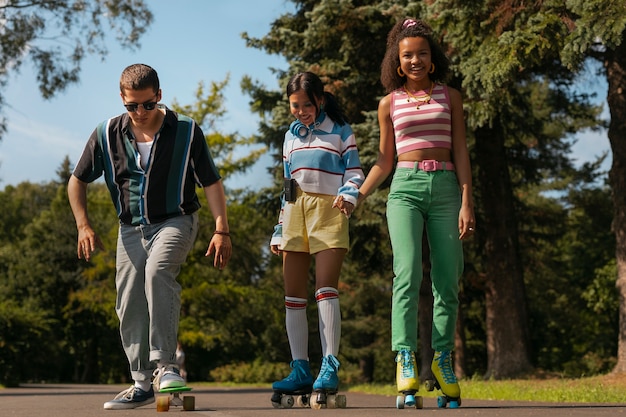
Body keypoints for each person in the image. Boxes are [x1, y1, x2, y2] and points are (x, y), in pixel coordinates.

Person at [67, 63, 232, 410]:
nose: (140, 113)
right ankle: (141, 382)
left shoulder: (186, 131)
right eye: (132, 106)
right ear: (122, 101)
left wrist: (221, 229)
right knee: (128, 297)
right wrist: (83, 224)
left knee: (158, 272)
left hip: (176, 220)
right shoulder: (106, 133)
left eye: (147, 104)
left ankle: (167, 366)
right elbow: (77, 180)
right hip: (130, 228)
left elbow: (212, 182)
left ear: (159, 96)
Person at [357, 18, 475, 408]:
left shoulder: (450, 96)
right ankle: (405, 358)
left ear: (432, 57)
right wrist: (357, 194)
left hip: (445, 189)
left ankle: (442, 360)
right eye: (407, 55)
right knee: (406, 274)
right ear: (397, 60)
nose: (415, 60)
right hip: (404, 190)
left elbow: (460, 151)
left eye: (422, 53)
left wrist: (466, 201)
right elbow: (384, 159)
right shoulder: (388, 103)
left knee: (446, 279)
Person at [269, 72, 364, 403]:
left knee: (325, 288)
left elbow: (354, 171)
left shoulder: (340, 130)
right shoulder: (289, 138)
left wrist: (350, 194)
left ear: (319, 101)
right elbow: (286, 185)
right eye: (295, 105)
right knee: (293, 294)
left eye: (306, 105)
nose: (300, 111)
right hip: (295, 211)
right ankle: (300, 370)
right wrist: (280, 228)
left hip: (329, 210)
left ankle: (329, 365)